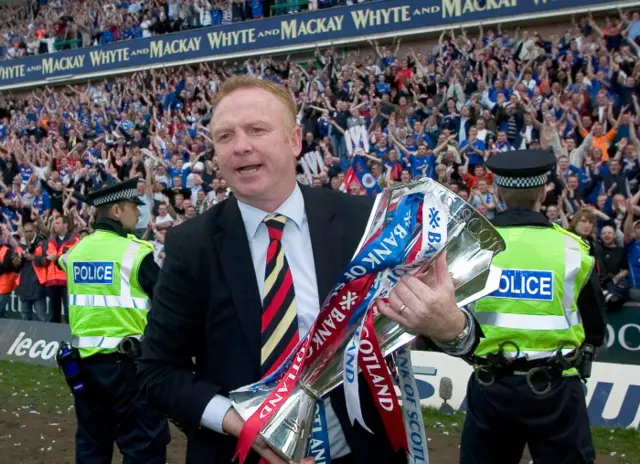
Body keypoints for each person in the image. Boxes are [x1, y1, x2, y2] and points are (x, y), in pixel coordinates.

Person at [138, 76, 481, 464]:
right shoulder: (191, 244)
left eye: (257, 130)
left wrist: (452, 327)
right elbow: (159, 372)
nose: (241, 146)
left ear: (295, 141)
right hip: (241, 454)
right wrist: (242, 424)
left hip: (362, 451)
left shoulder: (365, 224)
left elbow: (445, 330)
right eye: (225, 136)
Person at [459, 149, 607, 464]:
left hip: (490, 389)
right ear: (543, 193)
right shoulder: (573, 250)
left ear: (497, 192)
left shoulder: (473, 247)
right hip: (556, 391)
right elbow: (595, 330)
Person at [57, 177, 170, 464]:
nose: (139, 213)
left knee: (92, 448)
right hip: (129, 369)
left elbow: (65, 263)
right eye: (134, 206)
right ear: (117, 211)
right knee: (143, 448)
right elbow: (166, 303)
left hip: (84, 369)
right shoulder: (135, 252)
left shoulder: (75, 253)